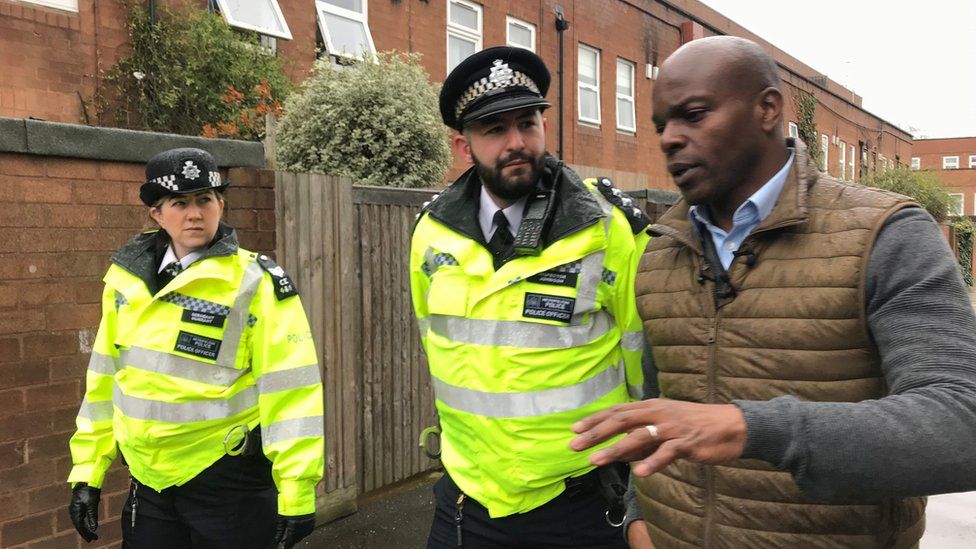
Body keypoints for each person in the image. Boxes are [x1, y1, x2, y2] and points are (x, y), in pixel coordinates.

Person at [569, 35, 976, 548]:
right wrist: (639, 520)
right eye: (661, 125)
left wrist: (756, 428)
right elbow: (660, 405)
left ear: (768, 109)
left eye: (693, 115)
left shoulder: (886, 234)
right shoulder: (657, 253)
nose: (670, 138)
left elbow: (963, 421)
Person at [411, 46, 651, 548]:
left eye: (528, 123)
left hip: (583, 504)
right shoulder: (431, 235)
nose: (516, 142)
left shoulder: (607, 227)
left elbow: (651, 365)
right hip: (467, 504)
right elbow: (439, 351)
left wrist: (645, 498)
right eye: (495, 129)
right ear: (463, 145)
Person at [66, 148, 325, 548]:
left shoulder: (255, 282)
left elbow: (291, 389)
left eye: (205, 199)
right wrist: (88, 470)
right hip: (149, 484)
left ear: (220, 205)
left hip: (227, 482)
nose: (194, 214)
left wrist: (296, 489)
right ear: (157, 214)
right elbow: (104, 379)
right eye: (179, 203)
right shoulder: (125, 281)